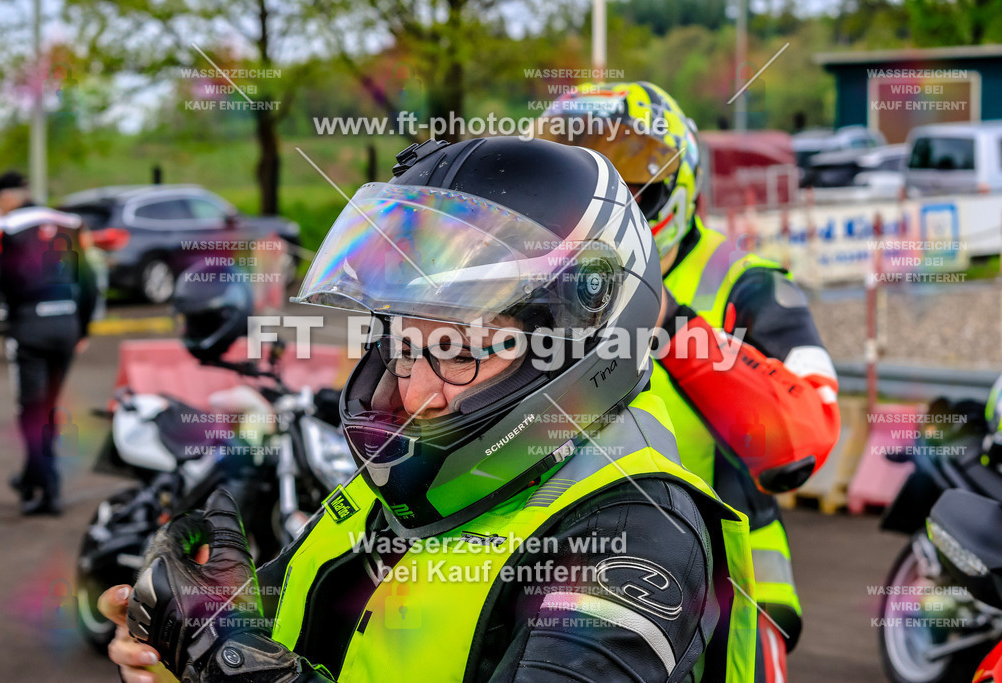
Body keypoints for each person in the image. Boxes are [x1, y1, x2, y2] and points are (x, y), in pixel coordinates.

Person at [99, 136, 763, 682]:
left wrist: (238, 672)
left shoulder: (635, 538)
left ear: (578, 349)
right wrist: (188, 636)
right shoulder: (414, 482)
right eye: (405, 346)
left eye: (463, 349)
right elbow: (273, 631)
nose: (417, 394)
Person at [540, 82, 842, 678]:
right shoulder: (539, 281)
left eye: (635, 183)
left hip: (728, 588)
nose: (611, 208)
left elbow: (807, 431)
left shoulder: (750, 283)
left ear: (679, 184)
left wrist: (671, 323)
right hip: (565, 569)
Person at [0, 171, 97, 515]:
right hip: (67, 324)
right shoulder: (69, 222)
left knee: (31, 410)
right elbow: (90, 283)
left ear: (5, 197)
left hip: (28, 327)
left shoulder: (4, 228)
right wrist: (84, 328)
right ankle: (35, 479)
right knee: (47, 407)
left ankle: (47, 490)